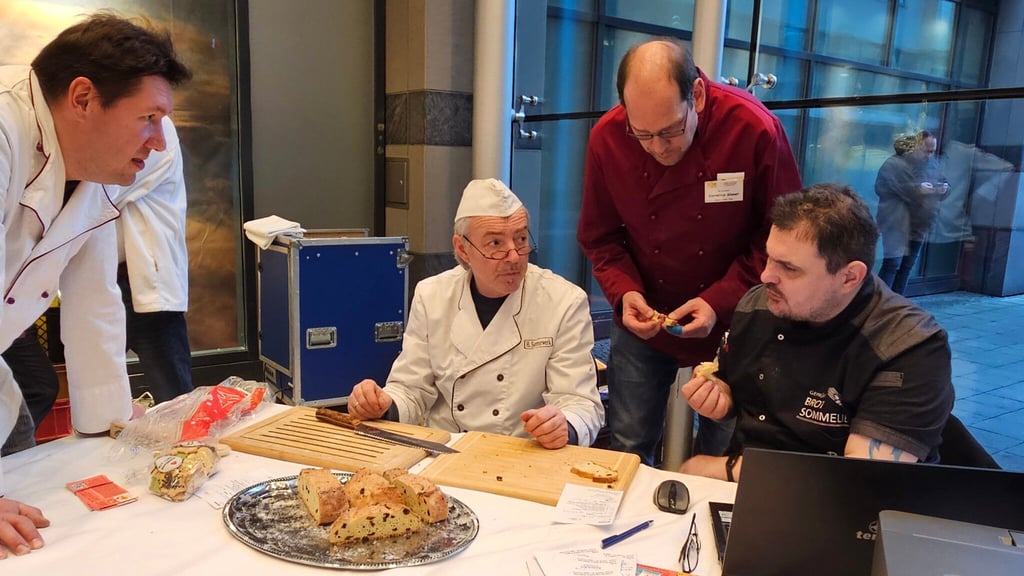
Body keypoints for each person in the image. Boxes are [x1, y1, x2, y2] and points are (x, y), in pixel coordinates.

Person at [0, 13, 191, 558]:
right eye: (148, 119)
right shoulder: (4, 133)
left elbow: (95, 300)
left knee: (47, 512)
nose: (159, 143)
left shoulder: (95, 174)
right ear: (82, 98)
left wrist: (107, 426)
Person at [577, 39, 802, 465]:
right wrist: (625, 294)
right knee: (627, 445)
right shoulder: (607, 138)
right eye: (641, 134)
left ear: (696, 95)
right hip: (646, 312)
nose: (658, 147)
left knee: (726, 449)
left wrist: (718, 302)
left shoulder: (753, 128)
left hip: (736, 318)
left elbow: (781, 240)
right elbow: (599, 237)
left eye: (669, 130)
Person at [679, 183, 954, 482]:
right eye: (769, 257)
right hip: (749, 491)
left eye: (789, 268)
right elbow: (732, 385)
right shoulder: (758, 304)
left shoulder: (909, 347)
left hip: (845, 512)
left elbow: (861, 481)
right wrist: (719, 397)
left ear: (849, 277)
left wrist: (724, 469)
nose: (766, 275)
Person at [348, 178, 605, 449]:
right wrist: (382, 404)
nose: (514, 256)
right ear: (463, 249)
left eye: (520, 239)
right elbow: (411, 390)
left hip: (524, 455)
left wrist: (563, 424)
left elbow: (581, 404)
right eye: (495, 243)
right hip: (446, 451)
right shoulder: (432, 296)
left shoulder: (563, 302)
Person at [113, 116, 192, 404]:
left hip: (146, 278)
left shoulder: (160, 131)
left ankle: (188, 448)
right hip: (103, 279)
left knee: (173, 393)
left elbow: (106, 190)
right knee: (100, 382)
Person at [875, 130, 950, 294]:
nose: (930, 155)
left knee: (906, 266)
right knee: (892, 264)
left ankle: (897, 304)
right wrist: (917, 189)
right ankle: (879, 303)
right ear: (914, 147)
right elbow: (883, 188)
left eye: (933, 151)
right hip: (896, 222)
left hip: (920, 224)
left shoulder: (932, 164)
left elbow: (943, 181)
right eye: (926, 150)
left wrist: (944, 189)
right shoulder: (894, 164)